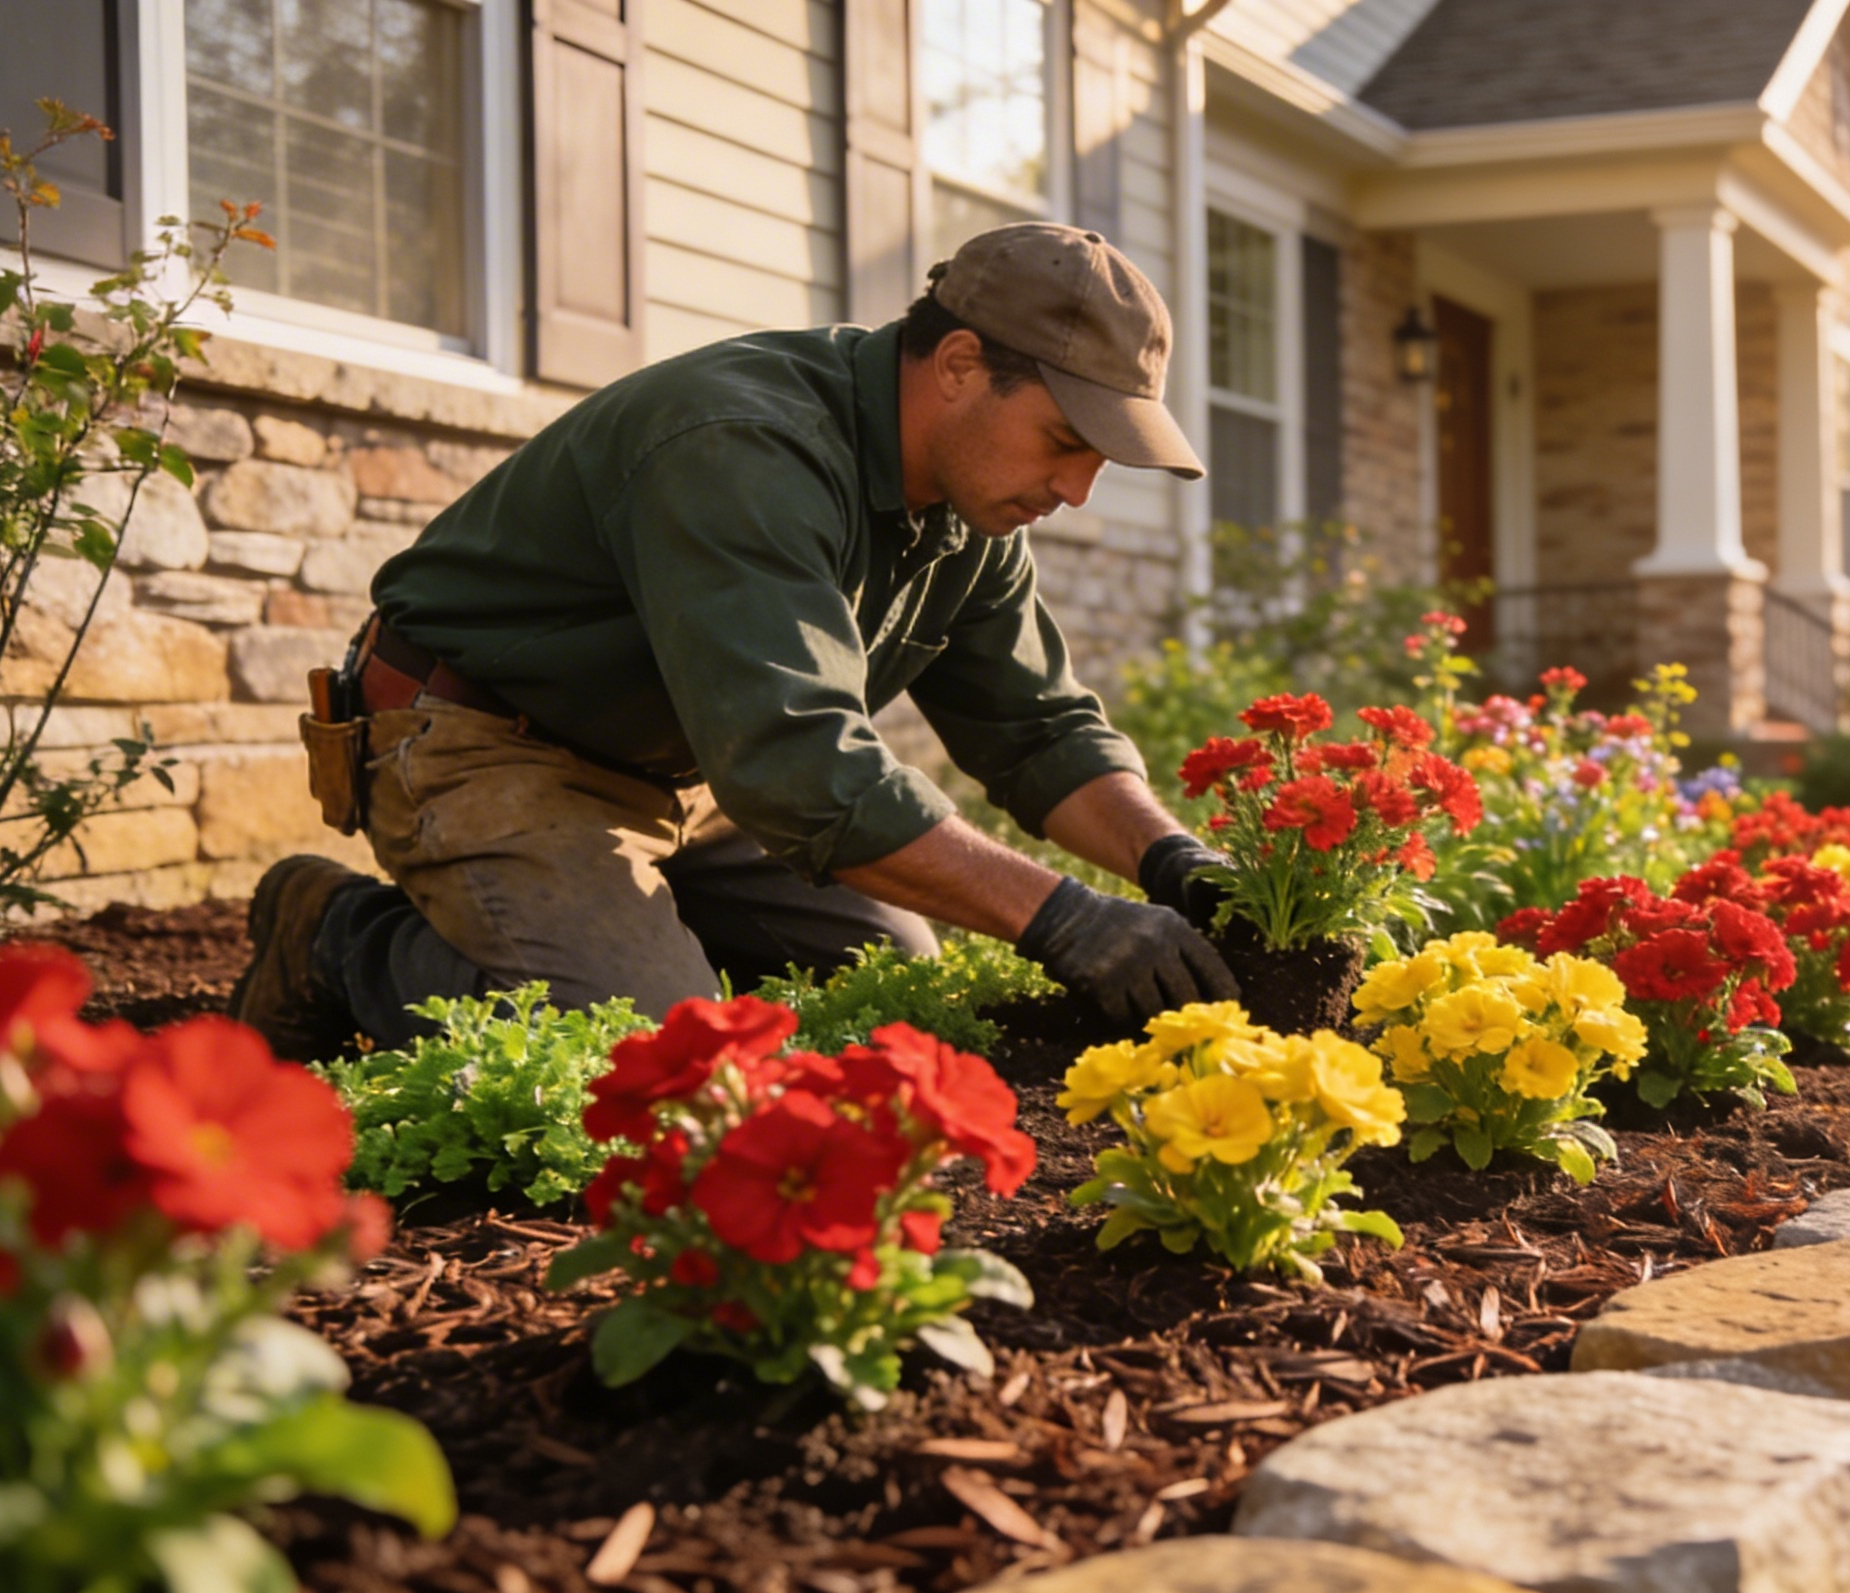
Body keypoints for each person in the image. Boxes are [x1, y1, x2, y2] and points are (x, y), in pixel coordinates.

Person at [229, 224, 1237, 1061]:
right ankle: (335, 936)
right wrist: (1064, 917)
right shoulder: (743, 443)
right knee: (644, 1055)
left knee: (890, 994)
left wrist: (1173, 860)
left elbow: (1038, 731)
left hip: (688, 771)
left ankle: (619, 938)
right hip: (482, 737)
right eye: (1066, 441)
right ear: (961, 365)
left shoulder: (971, 512)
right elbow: (801, 768)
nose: (1076, 491)